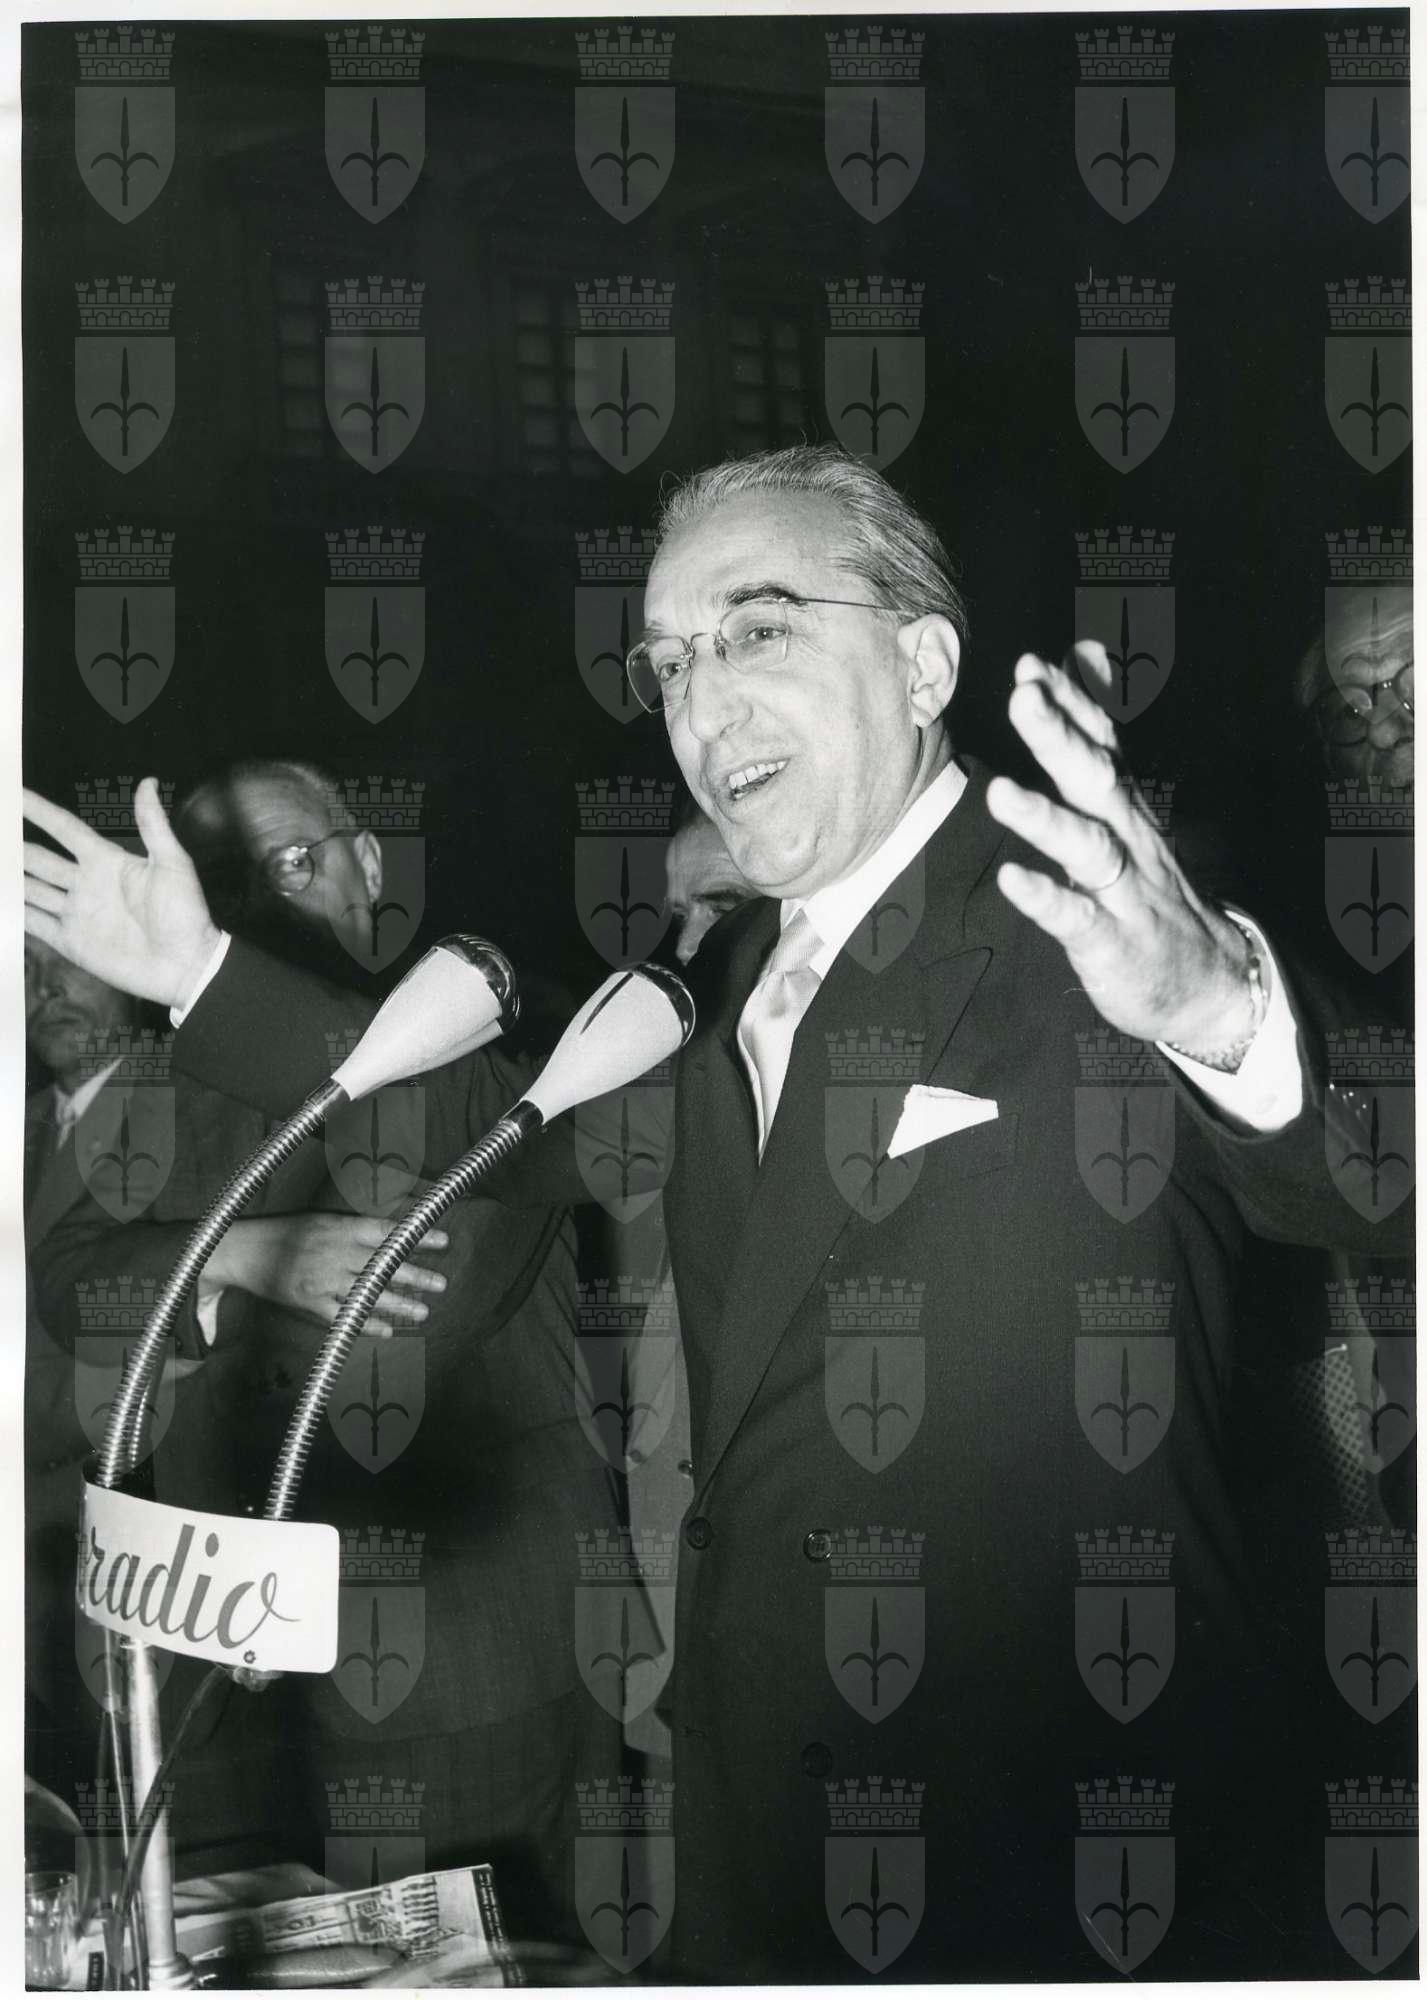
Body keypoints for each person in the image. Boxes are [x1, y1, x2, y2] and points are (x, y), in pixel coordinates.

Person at [22, 447, 1407, 1979]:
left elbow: (1377, 1176)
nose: (699, 702)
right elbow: (489, 1127)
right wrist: (203, 977)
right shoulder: (718, 983)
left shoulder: (1093, 913)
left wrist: (1222, 1013)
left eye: (756, 631)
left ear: (920, 663)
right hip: (762, 1843)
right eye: (669, 662)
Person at [26, 758, 628, 1942]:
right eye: (226, 877)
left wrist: (197, 1277)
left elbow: (401, 1316)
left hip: (463, 1661)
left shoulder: (481, 1025)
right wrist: (240, 1254)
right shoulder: (168, 1074)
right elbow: (70, 1278)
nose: (263, 897)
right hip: (239, 1690)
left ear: (371, 861)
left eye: (294, 859)